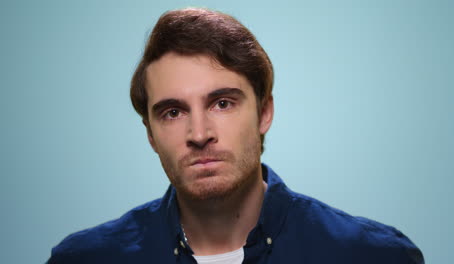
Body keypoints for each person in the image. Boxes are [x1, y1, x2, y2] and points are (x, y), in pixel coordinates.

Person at [48, 7, 424, 264]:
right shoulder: (85, 259)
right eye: (173, 112)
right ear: (150, 135)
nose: (199, 133)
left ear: (264, 113)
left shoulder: (371, 256)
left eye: (222, 104)